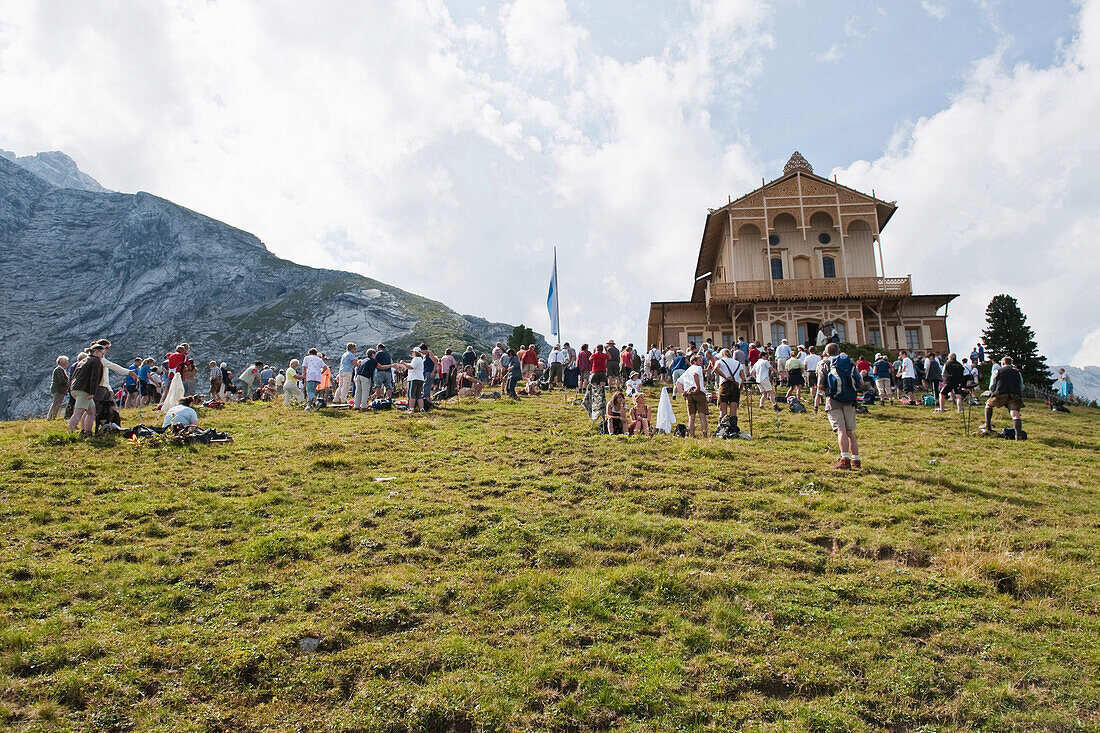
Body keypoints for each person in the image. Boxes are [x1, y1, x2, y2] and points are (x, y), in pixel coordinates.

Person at [819, 343, 863, 469]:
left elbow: (820, 385)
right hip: (850, 399)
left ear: (826, 353)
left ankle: (845, 459)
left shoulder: (826, 363)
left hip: (834, 400)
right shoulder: (850, 362)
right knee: (850, 432)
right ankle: (856, 460)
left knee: (841, 430)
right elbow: (860, 382)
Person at [981, 356, 1025, 439]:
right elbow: (1021, 386)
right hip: (1014, 395)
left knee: (988, 405)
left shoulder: (997, 371)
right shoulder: (1017, 372)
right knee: (1015, 414)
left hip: (1000, 394)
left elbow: (992, 385)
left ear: (1003, 363)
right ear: (1011, 364)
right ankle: (1018, 435)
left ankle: (987, 426)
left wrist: (992, 392)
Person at [68, 344, 105, 436]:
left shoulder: (84, 360)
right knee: (78, 413)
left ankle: (86, 432)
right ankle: (70, 433)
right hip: (84, 390)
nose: (103, 355)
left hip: (75, 389)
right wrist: (93, 392)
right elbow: (94, 378)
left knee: (91, 411)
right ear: (96, 352)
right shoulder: (96, 361)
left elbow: (74, 375)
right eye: (102, 352)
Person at [677, 354, 709, 438]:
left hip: (689, 393)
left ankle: (691, 434)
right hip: (698, 392)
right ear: (694, 361)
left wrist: (682, 392)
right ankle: (704, 434)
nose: (701, 362)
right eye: (699, 361)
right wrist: (698, 386)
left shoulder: (687, 371)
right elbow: (695, 375)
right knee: (702, 414)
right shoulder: (697, 368)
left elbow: (678, 383)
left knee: (691, 416)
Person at [714, 348, 744, 433]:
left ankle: (722, 428)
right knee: (733, 407)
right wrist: (740, 388)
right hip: (735, 384)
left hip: (724, 385)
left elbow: (716, 369)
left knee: (723, 407)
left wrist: (725, 377)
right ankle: (733, 428)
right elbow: (743, 378)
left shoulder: (720, 361)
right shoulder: (738, 363)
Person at [398, 347, 426, 412]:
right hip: (420, 378)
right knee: (419, 395)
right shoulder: (420, 360)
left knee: (411, 394)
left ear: (415, 352)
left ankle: (411, 409)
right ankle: (422, 408)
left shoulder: (415, 359)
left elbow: (411, 367)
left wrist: (403, 363)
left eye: (413, 352)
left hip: (414, 379)